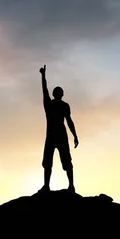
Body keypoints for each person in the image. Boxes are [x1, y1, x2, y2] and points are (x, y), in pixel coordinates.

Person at [38, 64, 79, 193]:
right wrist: (43, 76)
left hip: (58, 136)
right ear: (60, 94)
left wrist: (75, 135)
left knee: (64, 161)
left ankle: (70, 186)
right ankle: (49, 186)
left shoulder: (58, 105)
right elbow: (44, 89)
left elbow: (69, 121)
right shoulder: (50, 104)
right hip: (54, 136)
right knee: (50, 162)